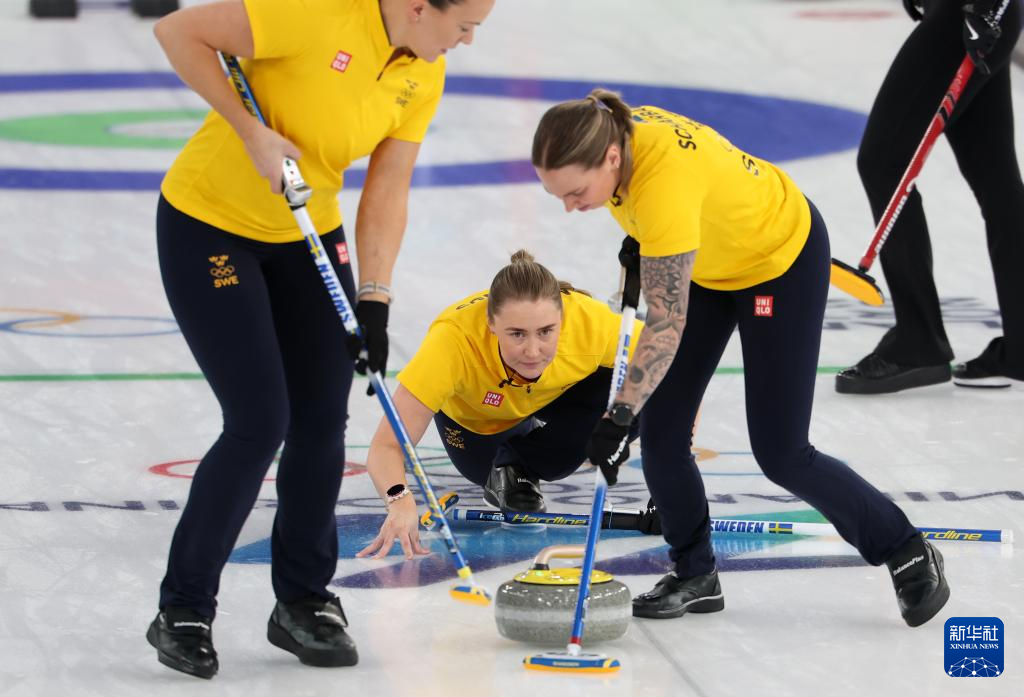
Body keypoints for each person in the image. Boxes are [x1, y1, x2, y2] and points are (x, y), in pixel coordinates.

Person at [146, 0, 496, 679]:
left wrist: (376, 299)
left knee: (321, 419)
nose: (468, 40)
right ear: (419, 7)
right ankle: (183, 607)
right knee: (259, 421)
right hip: (210, 225)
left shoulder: (424, 70)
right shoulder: (316, 13)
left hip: (308, 232)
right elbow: (177, 30)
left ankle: (303, 599)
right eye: (465, 25)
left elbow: (389, 185)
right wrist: (250, 130)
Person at [531, 90, 950, 627]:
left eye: (575, 192)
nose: (570, 208)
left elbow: (664, 324)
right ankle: (694, 573)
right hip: (709, 262)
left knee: (782, 452)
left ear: (611, 157)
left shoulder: (663, 186)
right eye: (558, 196)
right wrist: (643, 238)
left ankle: (905, 547)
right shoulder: (613, 133)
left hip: (778, 263)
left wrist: (619, 415)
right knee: (662, 435)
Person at [355, 250, 643, 559]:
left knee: (646, 390)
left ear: (562, 320)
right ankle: (511, 463)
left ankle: (529, 457)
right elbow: (387, 446)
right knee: (489, 472)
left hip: (555, 394)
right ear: (491, 323)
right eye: (517, 334)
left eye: (546, 332)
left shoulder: (589, 322)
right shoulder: (453, 342)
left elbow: (671, 362)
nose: (532, 351)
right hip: (479, 421)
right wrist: (399, 501)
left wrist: (658, 447)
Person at [836, 0, 1024, 393]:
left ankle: (918, 341)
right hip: (975, 12)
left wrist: (987, 6)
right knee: (997, 181)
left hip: (971, 11)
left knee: (883, 162)